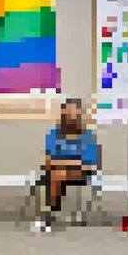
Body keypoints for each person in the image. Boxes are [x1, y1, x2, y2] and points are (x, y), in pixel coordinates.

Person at [34, 98, 102, 232]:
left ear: (80, 115)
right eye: (68, 113)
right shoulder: (54, 135)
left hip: (81, 174)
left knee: (56, 175)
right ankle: (49, 212)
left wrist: (64, 163)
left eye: (74, 113)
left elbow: (88, 165)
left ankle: (49, 213)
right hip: (56, 172)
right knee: (52, 176)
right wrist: (73, 162)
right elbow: (49, 161)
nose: (71, 116)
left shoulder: (88, 136)